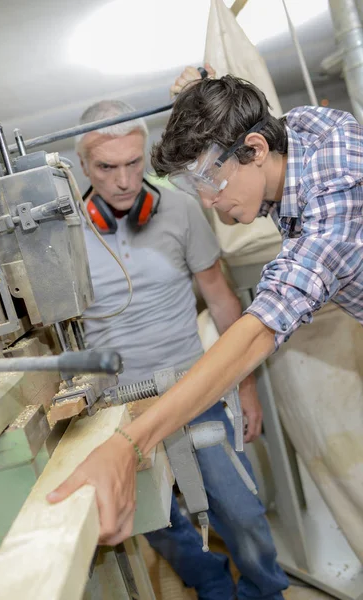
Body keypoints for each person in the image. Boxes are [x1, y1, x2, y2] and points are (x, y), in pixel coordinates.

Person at [48, 64, 363, 560]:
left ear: (256, 151)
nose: (212, 205)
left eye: (212, 182)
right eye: (197, 187)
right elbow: (255, 124)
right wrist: (205, 95)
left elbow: (258, 330)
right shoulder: (302, 131)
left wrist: (130, 444)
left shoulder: (334, 207)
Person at [60, 98, 288, 600]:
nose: (123, 180)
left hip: (196, 387)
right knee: (156, 519)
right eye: (106, 167)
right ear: (81, 166)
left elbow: (224, 302)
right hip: (117, 409)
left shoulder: (184, 208)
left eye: (133, 163)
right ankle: (211, 586)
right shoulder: (61, 236)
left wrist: (245, 388)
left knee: (241, 509)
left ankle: (263, 592)